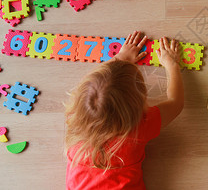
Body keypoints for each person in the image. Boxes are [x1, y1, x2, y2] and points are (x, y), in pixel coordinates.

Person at [65, 31, 184, 190]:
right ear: (137, 106)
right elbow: (176, 103)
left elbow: (95, 85)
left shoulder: (75, 121)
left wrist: (120, 58)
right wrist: (172, 65)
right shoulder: (139, 127)